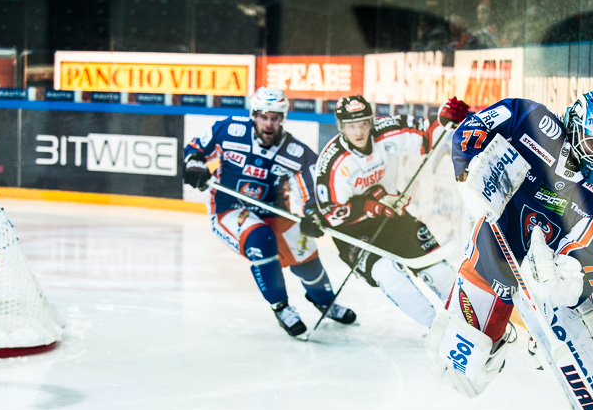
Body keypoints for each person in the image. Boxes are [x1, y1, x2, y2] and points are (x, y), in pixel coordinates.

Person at [426, 89, 593, 410]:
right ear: (573, 125)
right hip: (493, 252)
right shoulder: (529, 119)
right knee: (459, 373)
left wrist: (564, 279)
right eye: (592, 138)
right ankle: (502, 339)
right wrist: (471, 171)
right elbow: (471, 131)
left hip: (543, 276)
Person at [183, 87, 356, 338]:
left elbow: (311, 191)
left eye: (275, 117)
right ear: (253, 115)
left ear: (283, 119)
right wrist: (195, 164)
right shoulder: (228, 129)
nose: (269, 123)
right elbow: (195, 149)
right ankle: (282, 307)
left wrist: (313, 213)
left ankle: (325, 302)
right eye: (264, 116)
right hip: (229, 209)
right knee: (261, 240)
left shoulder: (296, 152)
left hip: (275, 212)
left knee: (305, 253)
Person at [309, 95, 469, 327]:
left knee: (437, 270)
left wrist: (445, 119)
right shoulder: (332, 162)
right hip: (353, 231)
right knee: (388, 274)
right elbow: (332, 213)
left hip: (393, 217)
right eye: (351, 126)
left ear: (371, 121)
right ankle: (435, 328)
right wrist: (373, 204)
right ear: (341, 127)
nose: (359, 132)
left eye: (364, 123)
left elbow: (426, 135)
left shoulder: (386, 130)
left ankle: (470, 320)